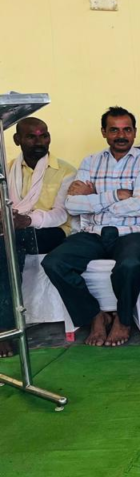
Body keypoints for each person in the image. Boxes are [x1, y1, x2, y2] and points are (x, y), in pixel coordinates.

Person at [42, 107, 140, 347]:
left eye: (127, 130)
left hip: (134, 232)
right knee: (54, 262)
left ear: (134, 132)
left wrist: (94, 197)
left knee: (130, 265)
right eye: (114, 130)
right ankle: (95, 315)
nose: (121, 135)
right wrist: (116, 195)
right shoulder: (91, 161)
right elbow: (72, 205)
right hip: (93, 233)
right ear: (104, 132)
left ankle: (123, 320)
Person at [0, 118, 76, 356]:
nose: (39, 141)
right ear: (17, 140)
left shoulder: (65, 170)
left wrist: (27, 220)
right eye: (31, 137)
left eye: (44, 136)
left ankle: (5, 327)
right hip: (15, 231)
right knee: (7, 244)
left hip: (54, 232)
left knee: (9, 245)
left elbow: (62, 213)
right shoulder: (7, 170)